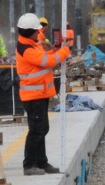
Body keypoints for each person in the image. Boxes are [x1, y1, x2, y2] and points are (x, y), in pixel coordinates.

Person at [15, 12, 71, 176]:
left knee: (42, 129)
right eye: (36, 30)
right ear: (29, 32)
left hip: (39, 94)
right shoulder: (26, 49)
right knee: (36, 131)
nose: (38, 33)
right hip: (33, 96)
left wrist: (56, 51)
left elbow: (46, 57)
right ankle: (29, 164)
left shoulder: (31, 45)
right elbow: (48, 62)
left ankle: (41, 162)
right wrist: (64, 51)